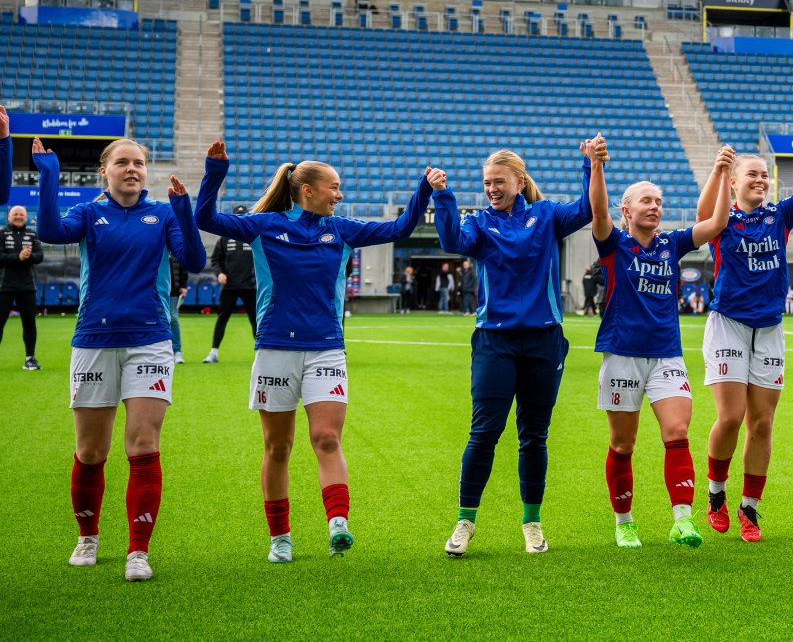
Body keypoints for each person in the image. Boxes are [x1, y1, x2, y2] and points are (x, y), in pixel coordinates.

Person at [196, 141, 430, 562]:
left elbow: (399, 230)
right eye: (334, 187)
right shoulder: (264, 225)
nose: (339, 195)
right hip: (275, 349)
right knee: (278, 448)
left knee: (326, 438)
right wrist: (215, 173)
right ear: (307, 189)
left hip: (326, 350)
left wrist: (424, 190)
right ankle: (280, 537)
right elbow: (204, 218)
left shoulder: (341, 229)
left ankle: (337, 521)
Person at [34, 137, 204, 582]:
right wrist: (48, 175)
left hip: (150, 340)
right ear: (104, 171)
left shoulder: (162, 213)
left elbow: (195, 258)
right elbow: (51, 232)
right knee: (92, 450)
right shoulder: (89, 213)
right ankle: (87, 536)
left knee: (143, 444)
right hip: (93, 338)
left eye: (140, 163)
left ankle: (138, 551)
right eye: (123, 163)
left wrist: (184, 210)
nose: (133, 169)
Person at [433, 147, 597, 558]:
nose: (491, 189)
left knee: (534, 437)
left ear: (519, 182)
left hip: (544, 340)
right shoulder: (479, 223)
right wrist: (442, 195)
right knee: (484, 433)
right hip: (495, 341)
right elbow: (453, 240)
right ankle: (465, 522)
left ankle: (532, 523)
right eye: (487, 183)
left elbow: (588, 209)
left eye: (498, 182)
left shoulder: (546, 216)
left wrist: (591, 165)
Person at [590, 135, 731, 549]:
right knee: (623, 443)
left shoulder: (672, 243)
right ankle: (624, 521)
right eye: (646, 201)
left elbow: (717, 225)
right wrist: (596, 165)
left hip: (667, 354)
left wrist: (722, 173)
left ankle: (682, 519)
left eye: (659, 201)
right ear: (627, 210)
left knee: (677, 430)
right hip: (622, 355)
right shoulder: (614, 243)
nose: (655, 206)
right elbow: (597, 211)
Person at [696, 147, 793, 542]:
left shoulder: (780, 216)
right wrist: (719, 168)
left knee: (762, 422)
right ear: (735, 182)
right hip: (729, 325)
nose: (759, 180)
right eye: (751, 175)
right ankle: (717, 491)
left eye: (764, 176)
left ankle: (750, 507)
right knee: (731, 417)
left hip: (769, 328)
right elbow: (704, 214)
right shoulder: (724, 219)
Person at [205, 206, 258, 364]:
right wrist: (219, 273)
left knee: (256, 320)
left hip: (250, 285)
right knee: (222, 318)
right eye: (238, 217)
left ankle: (260, 353)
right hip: (229, 286)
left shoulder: (254, 237)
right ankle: (213, 353)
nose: (241, 220)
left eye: (243, 216)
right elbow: (215, 260)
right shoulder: (224, 238)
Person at [1, 204, 45, 370]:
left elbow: (40, 256)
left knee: (29, 323)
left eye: (21, 214)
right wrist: (18, 257)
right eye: (15, 214)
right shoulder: (1, 233)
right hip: (4, 286)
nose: (18, 216)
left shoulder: (32, 234)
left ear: (26, 217)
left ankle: (30, 359)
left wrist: (29, 256)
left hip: (27, 286)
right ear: (9, 217)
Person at [167, 254, 188, 365]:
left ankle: (177, 352)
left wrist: (183, 285)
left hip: (173, 290)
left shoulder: (174, 243)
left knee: (173, 318)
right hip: (157, 290)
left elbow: (183, 265)